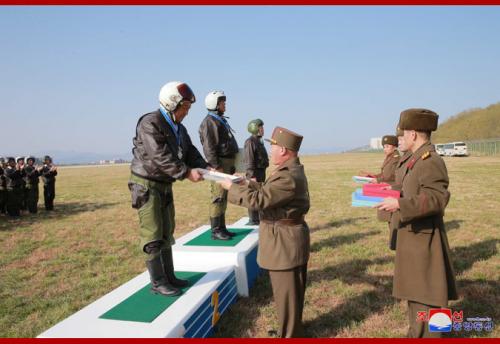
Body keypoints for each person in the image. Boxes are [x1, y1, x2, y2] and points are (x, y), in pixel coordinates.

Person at [218, 126, 310, 338]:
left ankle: (289, 336)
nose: (271, 150)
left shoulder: (287, 176)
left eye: (274, 146)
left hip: (285, 245)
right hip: (288, 242)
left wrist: (230, 187)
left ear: (284, 151)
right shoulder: (288, 172)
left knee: (287, 296)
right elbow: (268, 190)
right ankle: (291, 330)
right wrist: (246, 182)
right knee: (289, 296)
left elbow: (258, 200)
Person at [375, 109, 458, 338]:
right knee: (415, 294)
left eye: (404, 133)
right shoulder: (413, 160)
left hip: (424, 241)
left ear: (412, 134)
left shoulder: (430, 161)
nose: (402, 136)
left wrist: (400, 204)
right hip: (413, 237)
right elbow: (405, 187)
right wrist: (377, 192)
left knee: (427, 297)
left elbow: (437, 199)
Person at [129, 81, 207, 297]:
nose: (187, 113)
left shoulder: (178, 128)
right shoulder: (150, 123)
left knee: (166, 231)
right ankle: (158, 282)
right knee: (152, 233)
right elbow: (160, 156)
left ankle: (169, 276)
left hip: (163, 184)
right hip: (146, 185)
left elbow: (189, 150)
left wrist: (205, 166)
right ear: (172, 104)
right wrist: (186, 173)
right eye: (185, 108)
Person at [199, 90, 239, 240]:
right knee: (217, 196)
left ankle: (222, 227)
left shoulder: (219, 120)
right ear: (215, 104)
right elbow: (209, 147)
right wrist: (217, 167)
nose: (225, 105)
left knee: (223, 195)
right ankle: (216, 230)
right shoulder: (209, 122)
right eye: (222, 102)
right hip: (219, 164)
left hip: (226, 163)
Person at [243, 118, 269, 225]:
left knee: (260, 195)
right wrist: (252, 176)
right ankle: (253, 219)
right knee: (253, 196)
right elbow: (249, 160)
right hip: (254, 174)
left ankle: (258, 217)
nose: (263, 129)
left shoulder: (259, 142)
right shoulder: (250, 142)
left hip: (261, 172)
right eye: (260, 127)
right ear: (255, 128)